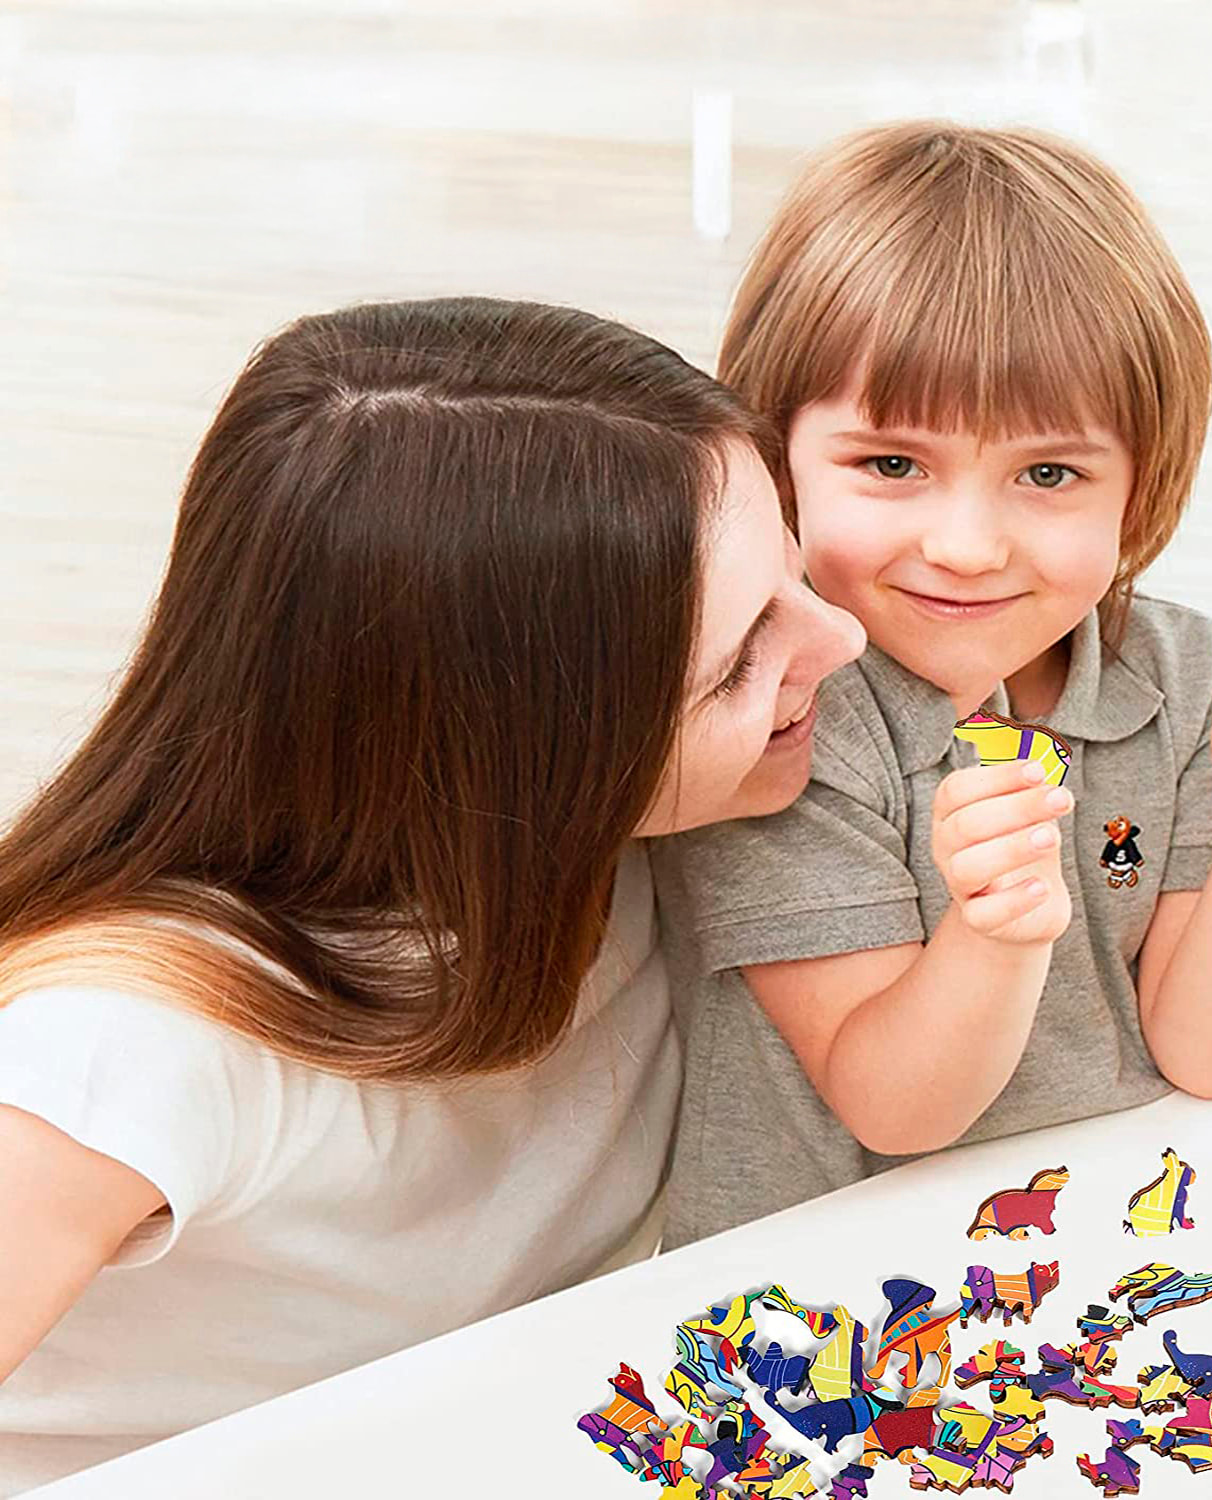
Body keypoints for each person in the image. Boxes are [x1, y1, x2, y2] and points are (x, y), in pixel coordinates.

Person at [0, 296, 864, 1493]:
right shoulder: (122, 1051)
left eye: (800, 568)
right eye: (740, 660)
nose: (844, 639)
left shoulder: (659, 838)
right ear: (523, 751)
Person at [650, 122, 1212, 1252]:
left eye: (1047, 474)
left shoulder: (1193, 676)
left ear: (1142, 488)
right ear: (774, 457)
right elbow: (894, 1107)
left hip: (1102, 1254)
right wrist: (996, 940)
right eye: (892, 465)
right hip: (818, 1308)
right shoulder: (793, 720)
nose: (964, 544)